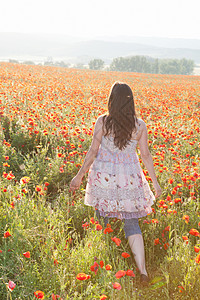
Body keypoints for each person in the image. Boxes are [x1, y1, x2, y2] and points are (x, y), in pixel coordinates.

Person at [69, 82, 162, 285]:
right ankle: (143, 271)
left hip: (105, 177)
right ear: (130, 102)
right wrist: (155, 183)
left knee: (102, 219)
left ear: (112, 100)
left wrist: (79, 176)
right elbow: (145, 155)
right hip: (129, 178)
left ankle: (102, 265)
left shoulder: (103, 122)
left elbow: (93, 151)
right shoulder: (139, 125)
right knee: (131, 223)